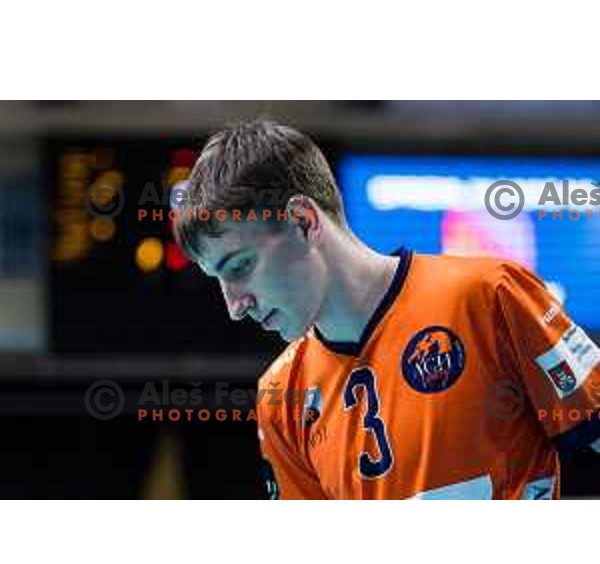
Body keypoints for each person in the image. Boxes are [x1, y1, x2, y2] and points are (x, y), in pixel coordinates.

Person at [173, 119, 600, 499]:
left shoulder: (490, 296)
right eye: (218, 279)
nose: (234, 305)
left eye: (241, 266)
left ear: (304, 222)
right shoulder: (280, 396)